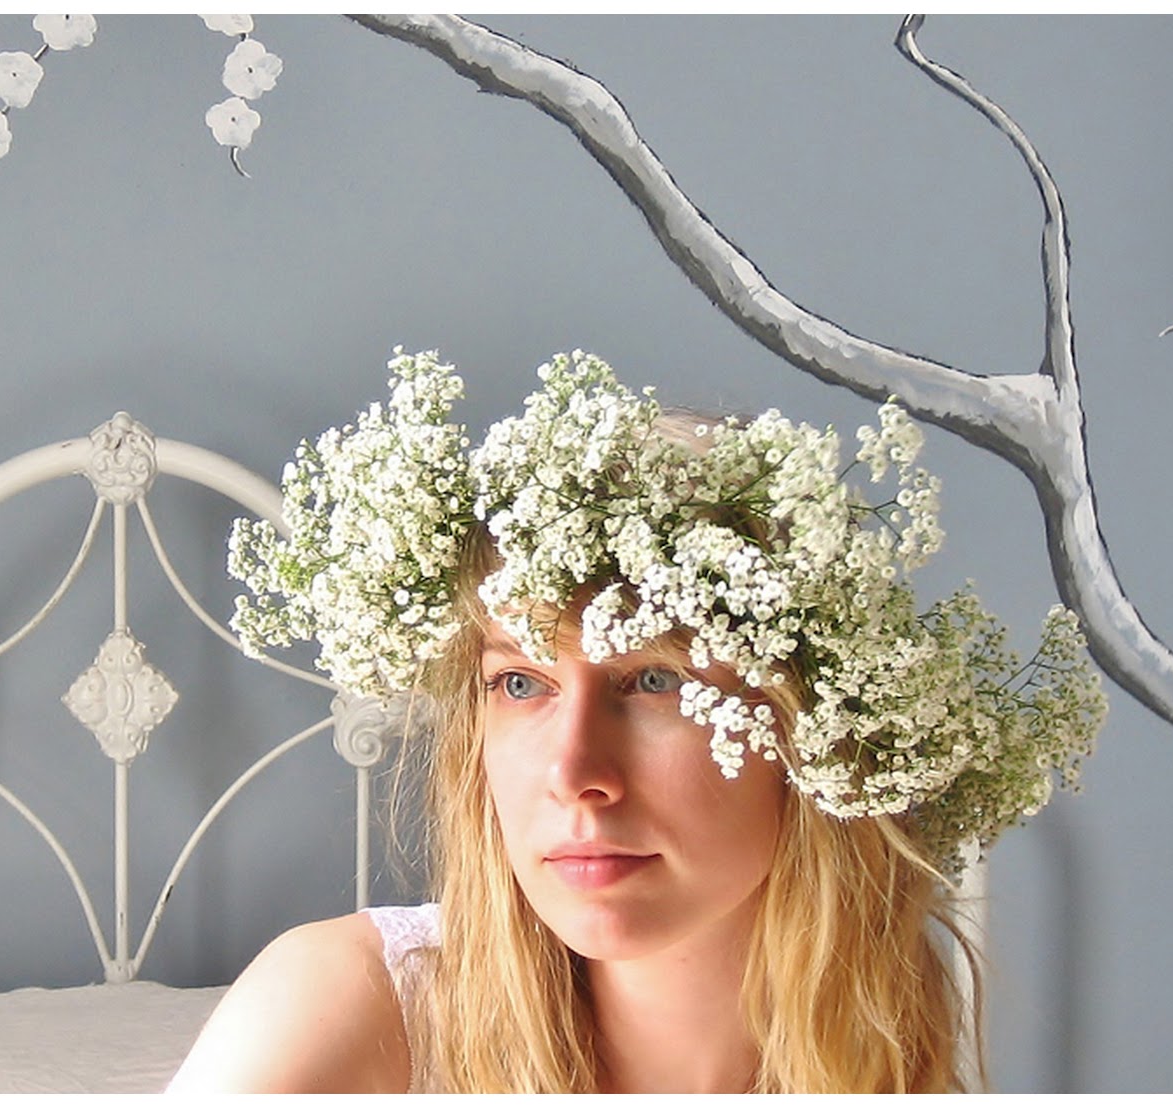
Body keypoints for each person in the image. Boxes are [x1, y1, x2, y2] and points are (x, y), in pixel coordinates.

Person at [169, 349, 1104, 1093]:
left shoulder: (885, 1056)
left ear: (807, 732)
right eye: (521, 684)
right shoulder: (354, 1013)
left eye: (654, 680)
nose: (575, 773)